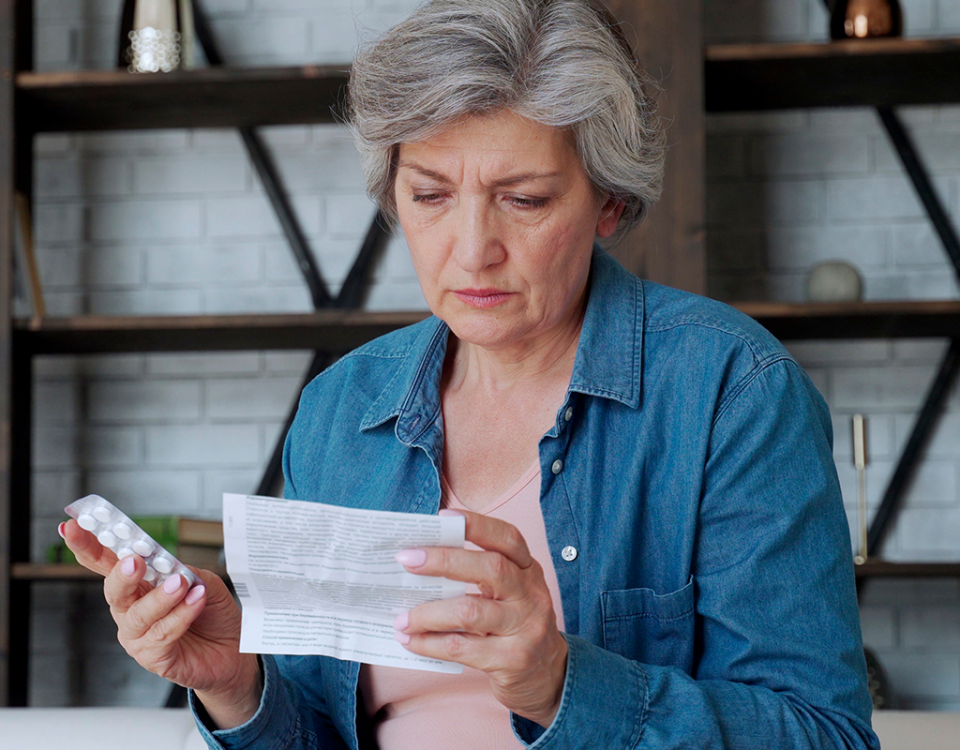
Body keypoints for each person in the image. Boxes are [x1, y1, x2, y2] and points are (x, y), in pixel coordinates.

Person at [61, 1, 881, 748]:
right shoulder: (343, 409)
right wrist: (241, 688)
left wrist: (562, 684)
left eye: (522, 200)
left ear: (608, 204)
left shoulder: (730, 390)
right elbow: (316, 734)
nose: (472, 248)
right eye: (430, 196)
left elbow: (825, 735)